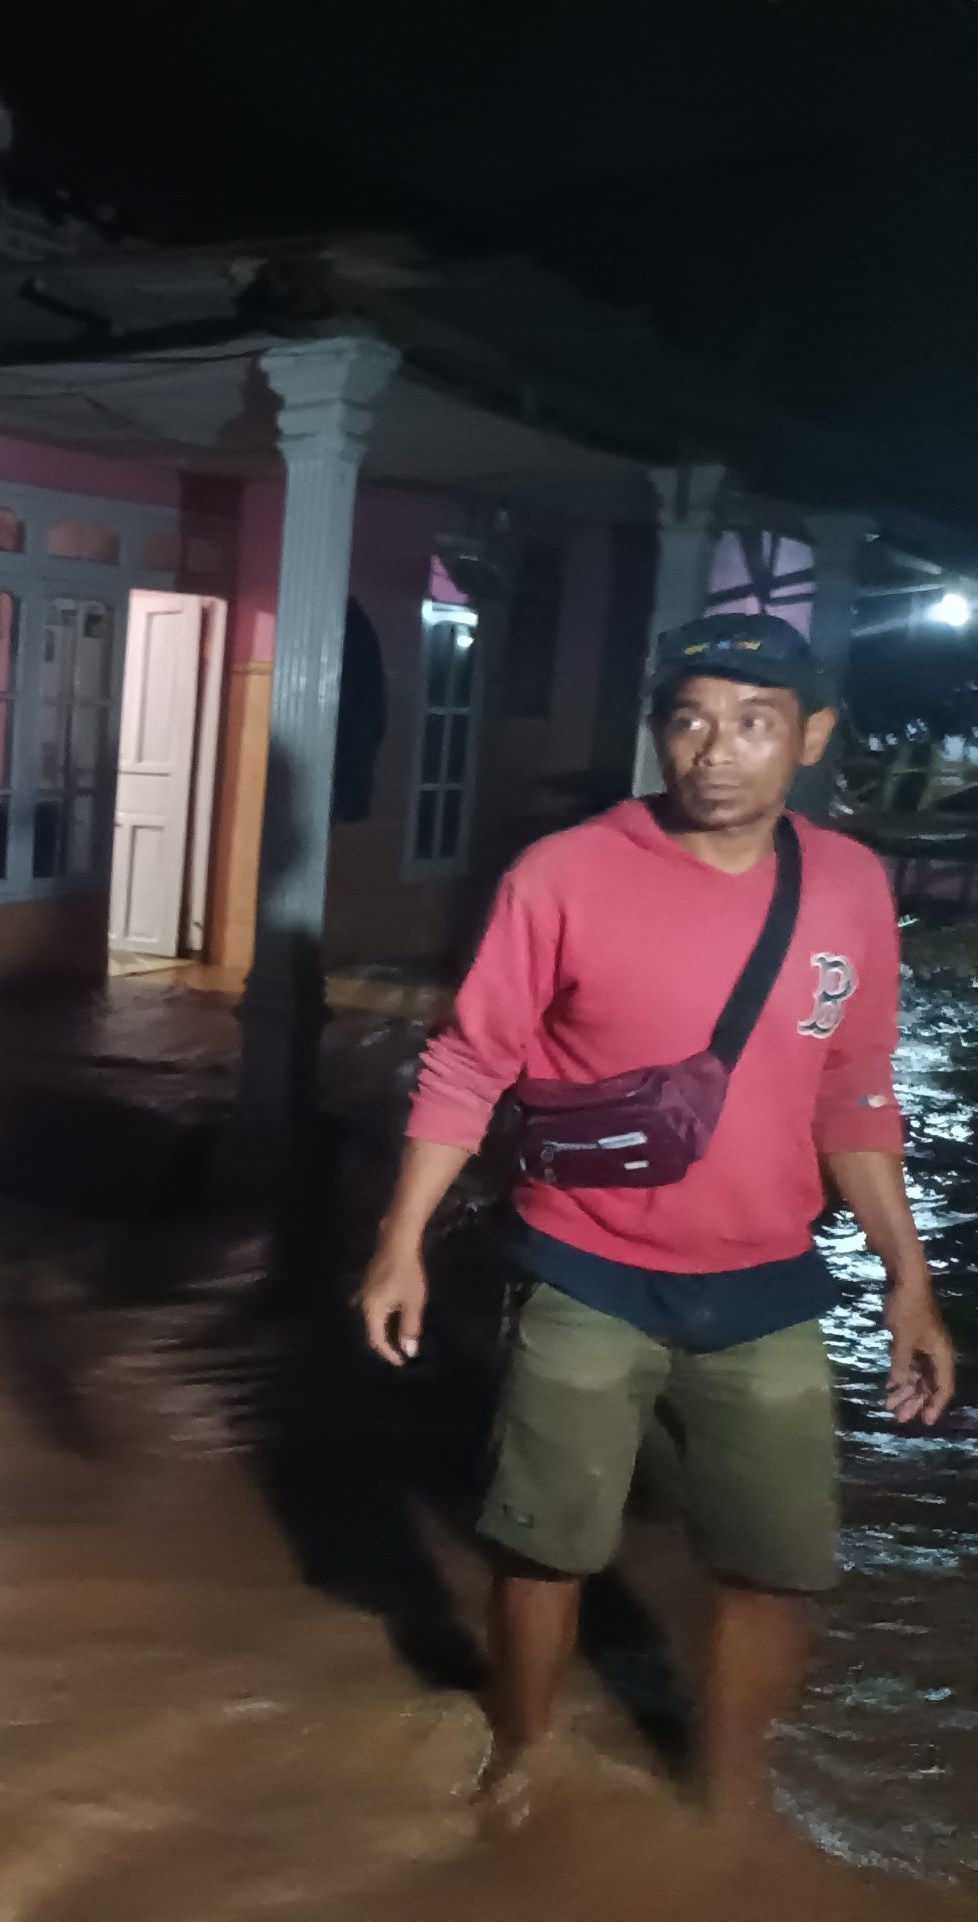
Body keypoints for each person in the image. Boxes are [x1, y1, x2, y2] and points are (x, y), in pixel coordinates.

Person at [357, 611, 956, 1824]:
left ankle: (729, 1803)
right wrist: (398, 1239)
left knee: (774, 1563)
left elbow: (858, 1083)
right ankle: (519, 1757)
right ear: (657, 733)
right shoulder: (563, 873)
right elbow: (471, 1062)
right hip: (584, 1266)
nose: (715, 750)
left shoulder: (844, 882)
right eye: (688, 719)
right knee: (543, 1543)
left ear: (811, 737)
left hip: (771, 1285)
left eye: (752, 722)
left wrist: (908, 1275)